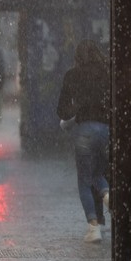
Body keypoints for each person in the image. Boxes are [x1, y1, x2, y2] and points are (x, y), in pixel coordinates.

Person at [56, 39, 111, 243]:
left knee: (84, 180)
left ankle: (93, 228)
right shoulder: (107, 74)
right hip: (106, 130)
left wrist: (76, 109)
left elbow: (61, 110)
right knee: (98, 172)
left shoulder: (72, 76)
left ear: (78, 56)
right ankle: (107, 197)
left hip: (84, 130)